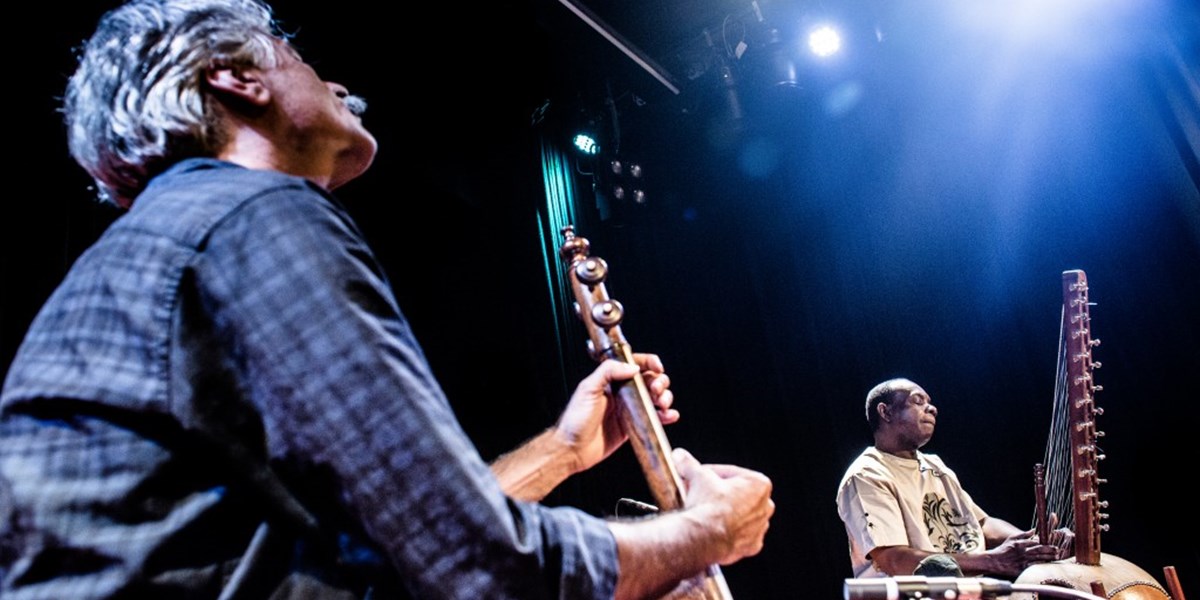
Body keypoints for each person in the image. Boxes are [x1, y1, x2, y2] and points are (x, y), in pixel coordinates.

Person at [0, 1, 774, 598]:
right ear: (236, 79)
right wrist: (707, 531)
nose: (340, 85)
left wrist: (563, 452)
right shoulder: (256, 214)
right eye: (300, 58)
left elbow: (399, 548)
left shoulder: (176, 242)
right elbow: (473, 565)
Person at [835, 378, 1072, 579]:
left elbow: (980, 525)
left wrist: (1033, 543)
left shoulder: (935, 465)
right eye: (918, 401)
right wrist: (993, 561)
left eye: (930, 402)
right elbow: (894, 560)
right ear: (885, 412)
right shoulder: (867, 474)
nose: (932, 408)